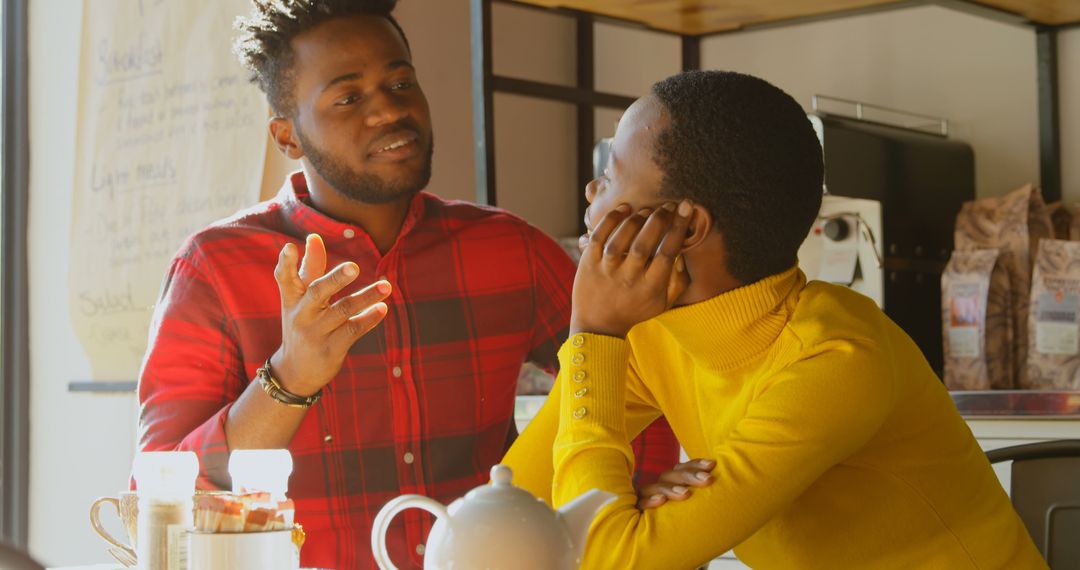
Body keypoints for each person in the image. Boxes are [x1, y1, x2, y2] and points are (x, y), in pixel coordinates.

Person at [136, 1, 679, 568]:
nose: (388, 111)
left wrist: (632, 512)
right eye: (348, 97)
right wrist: (289, 380)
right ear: (286, 136)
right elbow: (159, 496)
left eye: (400, 82)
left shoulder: (509, 249)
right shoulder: (213, 269)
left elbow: (632, 376)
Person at [502, 70, 1046, 569]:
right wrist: (632, 510)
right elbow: (511, 501)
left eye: (609, 173)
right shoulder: (655, 336)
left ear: (685, 229)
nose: (591, 192)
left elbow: (608, 560)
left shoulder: (835, 357)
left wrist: (593, 333)